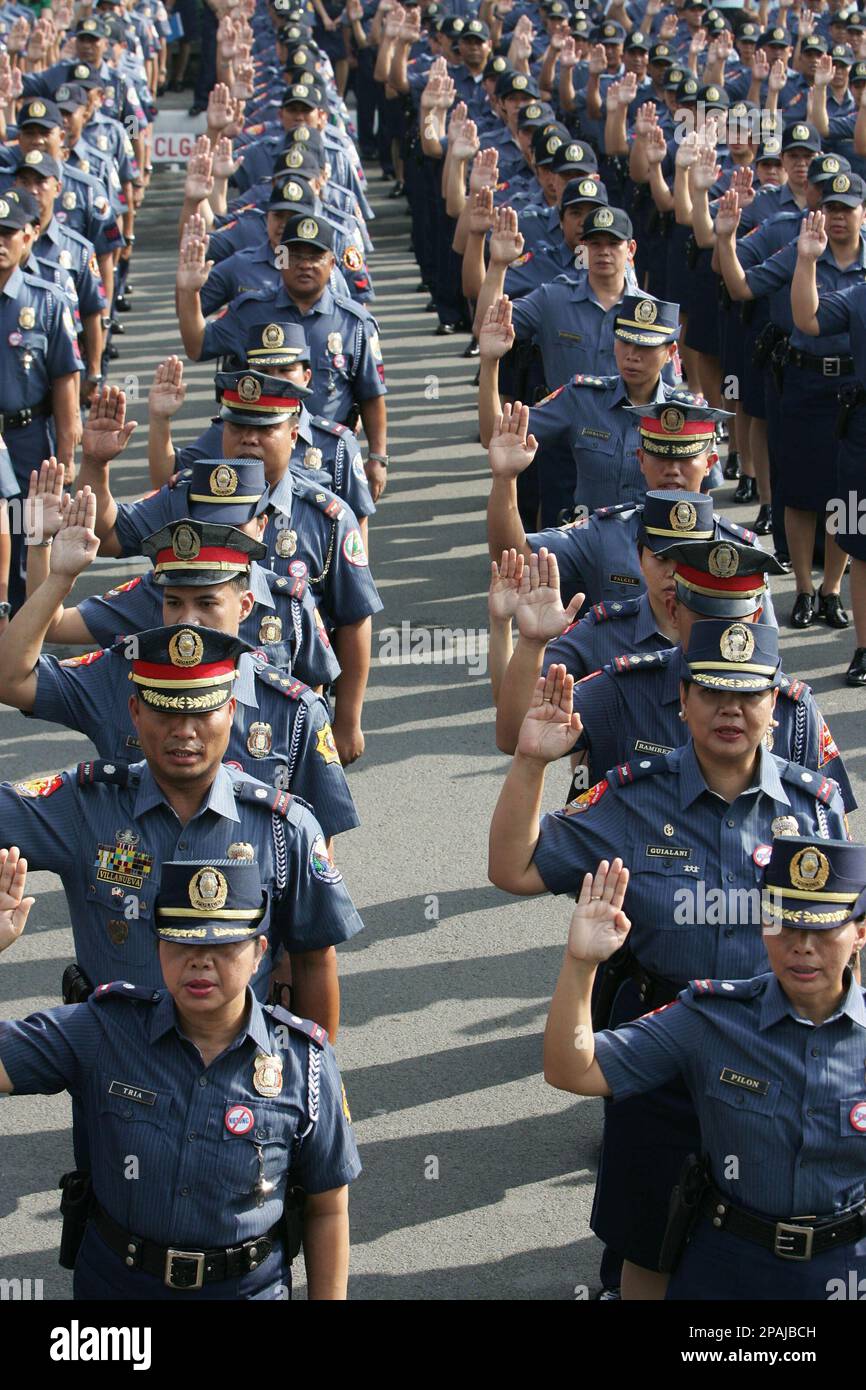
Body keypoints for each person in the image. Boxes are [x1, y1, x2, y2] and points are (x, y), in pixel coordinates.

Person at [488, 619, 848, 1300]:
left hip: (779, 1055)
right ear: (680, 700)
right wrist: (531, 761)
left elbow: (846, 935)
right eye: (712, 693)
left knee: (775, 1246)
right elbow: (513, 867)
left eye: (748, 694)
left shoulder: (815, 810)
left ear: (777, 702)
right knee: (648, 1240)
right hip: (665, 1047)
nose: (731, 711)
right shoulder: (632, 796)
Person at [0, 851, 361, 1299]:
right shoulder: (103, 1029)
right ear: (159, 948)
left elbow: (327, 1208)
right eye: (184, 942)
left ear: (258, 953)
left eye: (224, 945)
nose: (201, 962)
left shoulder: (305, 1062)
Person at [543, 834, 866, 1300]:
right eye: (784, 925)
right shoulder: (712, 1018)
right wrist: (580, 964)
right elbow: (572, 1070)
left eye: (822, 929)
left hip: (847, 1268)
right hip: (730, 1265)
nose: (802, 947)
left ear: (858, 931)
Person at [0, 496, 358, 837]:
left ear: (246, 606)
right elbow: (10, 680)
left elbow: (316, 841)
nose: (188, 621)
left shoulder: (293, 711)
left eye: (206, 603)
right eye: (174, 602)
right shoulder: (118, 674)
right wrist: (58, 578)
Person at [77, 382, 381, 765]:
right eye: (236, 427)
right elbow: (107, 536)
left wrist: (347, 721)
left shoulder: (327, 517)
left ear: (293, 433)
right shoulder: (186, 497)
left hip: (272, 725)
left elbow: (353, 618)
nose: (248, 439)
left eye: (264, 429)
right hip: (187, 712)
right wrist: (96, 464)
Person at [176, 211, 388, 486]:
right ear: (280, 259)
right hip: (258, 457)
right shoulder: (251, 310)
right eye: (295, 256)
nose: (305, 265)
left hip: (326, 460)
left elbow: (371, 394)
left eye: (315, 257)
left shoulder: (354, 323)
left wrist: (377, 458)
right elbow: (198, 346)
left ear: (333, 263)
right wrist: (189, 293)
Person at [792, 207, 866, 686]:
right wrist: (807, 261)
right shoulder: (861, 296)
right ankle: (864, 649)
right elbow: (809, 318)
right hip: (863, 434)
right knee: (862, 544)